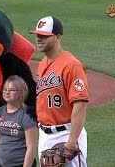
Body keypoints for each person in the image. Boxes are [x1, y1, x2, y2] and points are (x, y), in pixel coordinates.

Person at [29, 16, 89, 166]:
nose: (39, 39)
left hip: (67, 134)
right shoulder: (42, 64)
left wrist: (72, 141)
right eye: (37, 35)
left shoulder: (72, 66)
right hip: (44, 136)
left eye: (44, 36)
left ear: (57, 37)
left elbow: (80, 105)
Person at [0, 75, 38, 167]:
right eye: (5, 89)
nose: (7, 92)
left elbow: (31, 147)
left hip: (21, 164)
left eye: (12, 90)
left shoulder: (27, 115)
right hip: (1, 164)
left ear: (22, 92)